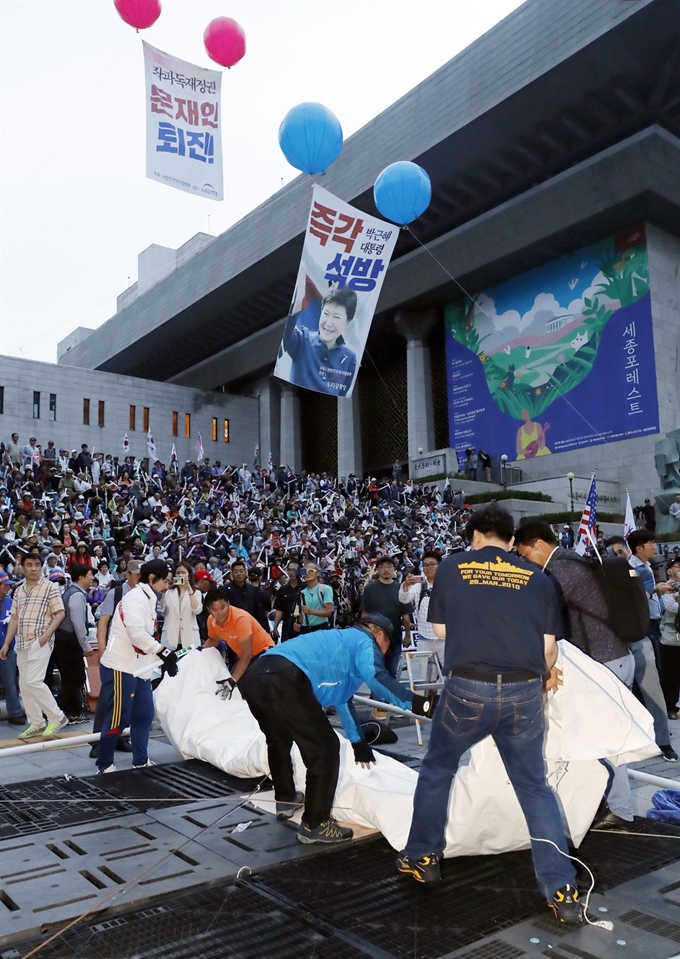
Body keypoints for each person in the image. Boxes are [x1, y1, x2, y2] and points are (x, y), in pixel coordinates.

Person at [398, 506, 584, 925]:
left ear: (477, 535)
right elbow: (549, 649)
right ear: (508, 537)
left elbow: (441, 631)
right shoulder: (538, 578)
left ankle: (422, 856)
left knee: (438, 769)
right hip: (523, 689)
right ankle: (562, 888)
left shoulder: (451, 566)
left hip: (468, 687)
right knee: (535, 787)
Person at [239, 613, 435, 843]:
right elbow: (376, 677)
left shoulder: (340, 644)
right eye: (386, 647)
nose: (382, 654)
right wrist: (420, 703)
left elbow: (343, 700)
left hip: (256, 675)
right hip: (286, 676)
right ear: (379, 634)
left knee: (278, 739)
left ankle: (286, 798)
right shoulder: (364, 640)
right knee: (325, 749)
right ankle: (316, 823)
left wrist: (358, 742)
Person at [514, 521, 638, 826]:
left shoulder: (560, 572)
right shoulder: (572, 562)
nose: (525, 561)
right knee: (593, 736)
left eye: (525, 554)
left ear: (539, 545)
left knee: (605, 738)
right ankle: (604, 801)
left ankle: (620, 809)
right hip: (612, 658)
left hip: (603, 662)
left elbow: (538, 618)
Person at [96, 560, 177, 773]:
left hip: (140, 668)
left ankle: (140, 760)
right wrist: (163, 651)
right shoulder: (135, 599)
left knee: (144, 715)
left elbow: (145, 636)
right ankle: (104, 765)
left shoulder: (149, 598)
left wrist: (160, 658)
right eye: (165, 581)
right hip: (120, 666)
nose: (167, 586)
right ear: (152, 579)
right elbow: (137, 634)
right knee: (118, 718)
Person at [0, 552, 67, 739]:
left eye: (37, 564)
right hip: (21, 642)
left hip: (40, 639)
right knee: (24, 684)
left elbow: (60, 613)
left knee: (33, 681)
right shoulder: (19, 590)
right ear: (22, 567)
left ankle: (57, 716)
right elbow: (14, 618)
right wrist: (6, 643)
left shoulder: (50, 587)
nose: (33, 568)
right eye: (29, 565)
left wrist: (47, 634)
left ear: (41, 566)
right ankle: (36, 721)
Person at [628, 529, 677, 759]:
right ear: (639, 547)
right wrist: (655, 589)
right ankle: (661, 741)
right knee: (650, 681)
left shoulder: (645, 568)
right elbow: (637, 598)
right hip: (644, 628)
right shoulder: (635, 570)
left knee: (647, 681)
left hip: (650, 625)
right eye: (650, 543)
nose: (654, 546)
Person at [89, 561, 143, 759]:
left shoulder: (146, 593)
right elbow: (103, 621)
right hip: (115, 650)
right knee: (107, 697)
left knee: (129, 695)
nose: (139, 578)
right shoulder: (117, 593)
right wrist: (102, 650)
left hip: (136, 652)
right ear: (127, 574)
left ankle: (122, 737)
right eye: (136, 574)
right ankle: (97, 741)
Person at [281, 279, 358, 397]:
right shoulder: (302, 340)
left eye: (336, 317)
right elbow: (286, 338)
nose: (328, 323)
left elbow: (343, 394)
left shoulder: (350, 358)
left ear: (347, 322)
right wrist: (296, 306)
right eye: (326, 314)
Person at [203, 587, 274, 686]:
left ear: (228, 603)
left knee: (243, 685)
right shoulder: (211, 620)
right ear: (208, 609)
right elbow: (214, 640)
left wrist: (232, 680)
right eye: (214, 609)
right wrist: (200, 651)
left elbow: (247, 654)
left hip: (264, 652)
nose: (219, 613)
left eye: (223, 607)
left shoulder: (240, 619)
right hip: (245, 656)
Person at [53, 562, 96, 724]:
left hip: (63, 639)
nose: (92, 578)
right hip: (68, 641)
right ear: (81, 577)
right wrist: (86, 646)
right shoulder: (77, 595)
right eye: (90, 575)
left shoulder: (70, 592)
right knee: (77, 678)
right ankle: (55, 711)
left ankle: (72, 713)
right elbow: (78, 623)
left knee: (69, 679)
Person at [360, 556, 411, 678]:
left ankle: (389, 697)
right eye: (382, 567)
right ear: (377, 570)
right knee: (376, 672)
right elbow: (364, 614)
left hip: (395, 638)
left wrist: (408, 635)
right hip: (375, 639)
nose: (386, 570)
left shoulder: (400, 587)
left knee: (392, 672)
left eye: (389, 566)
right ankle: (375, 697)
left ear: (394, 568)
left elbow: (405, 614)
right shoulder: (370, 588)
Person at [399, 550, 443, 681]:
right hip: (424, 639)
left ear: (439, 565)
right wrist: (405, 585)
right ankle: (428, 700)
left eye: (432, 564)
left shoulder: (449, 584)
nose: (428, 568)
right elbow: (404, 599)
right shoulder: (419, 586)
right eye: (425, 565)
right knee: (426, 677)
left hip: (446, 639)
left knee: (450, 676)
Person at [0, 571, 26, 726]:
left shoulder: (11, 602)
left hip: (8, 648)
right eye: (5, 585)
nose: (8, 588)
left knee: (10, 682)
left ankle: (15, 713)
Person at [161, 561, 202, 650]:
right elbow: (163, 612)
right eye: (178, 573)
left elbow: (197, 610)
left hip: (189, 638)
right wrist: (163, 593)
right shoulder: (168, 592)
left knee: (189, 663)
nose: (180, 575)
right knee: (171, 663)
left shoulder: (196, 593)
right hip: (170, 638)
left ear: (189, 575)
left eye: (183, 573)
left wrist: (189, 589)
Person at [225, 559, 271, 634]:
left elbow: (259, 611)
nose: (239, 574)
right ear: (231, 574)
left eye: (241, 571)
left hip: (252, 626)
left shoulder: (252, 589)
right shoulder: (225, 590)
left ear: (245, 572)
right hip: (234, 627)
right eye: (236, 572)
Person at [660, 557, 680, 719]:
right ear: (669, 571)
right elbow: (670, 606)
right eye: (678, 566)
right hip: (671, 638)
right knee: (671, 675)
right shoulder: (666, 587)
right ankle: (670, 707)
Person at [299, 563, 334, 633]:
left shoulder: (325, 589)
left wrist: (310, 611)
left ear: (317, 573)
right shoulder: (301, 593)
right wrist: (297, 623)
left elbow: (328, 612)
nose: (307, 573)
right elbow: (299, 612)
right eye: (305, 571)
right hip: (304, 629)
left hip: (320, 628)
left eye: (311, 571)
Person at [273, 562, 302, 642]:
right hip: (287, 626)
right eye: (289, 570)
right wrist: (275, 627)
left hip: (302, 626)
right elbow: (279, 609)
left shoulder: (305, 587)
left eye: (294, 570)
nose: (291, 572)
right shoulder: (283, 590)